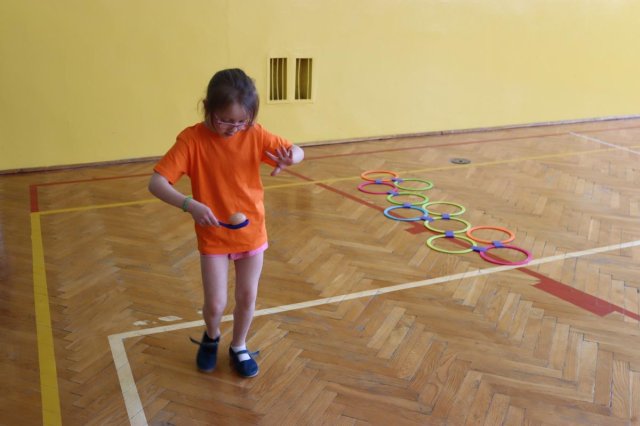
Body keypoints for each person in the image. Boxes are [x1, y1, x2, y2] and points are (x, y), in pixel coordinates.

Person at [148, 68, 304, 378]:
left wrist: (292, 157)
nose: (234, 128)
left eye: (241, 121)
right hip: (214, 235)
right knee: (216, 304)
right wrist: (189, 205)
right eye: (225, 120)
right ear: (208, 108)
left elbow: (297, 150)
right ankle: (211, 335)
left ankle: (239, 346)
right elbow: (156, 183)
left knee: (247, 297)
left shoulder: (254, 133)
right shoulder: (192, 140)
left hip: (252, 232)